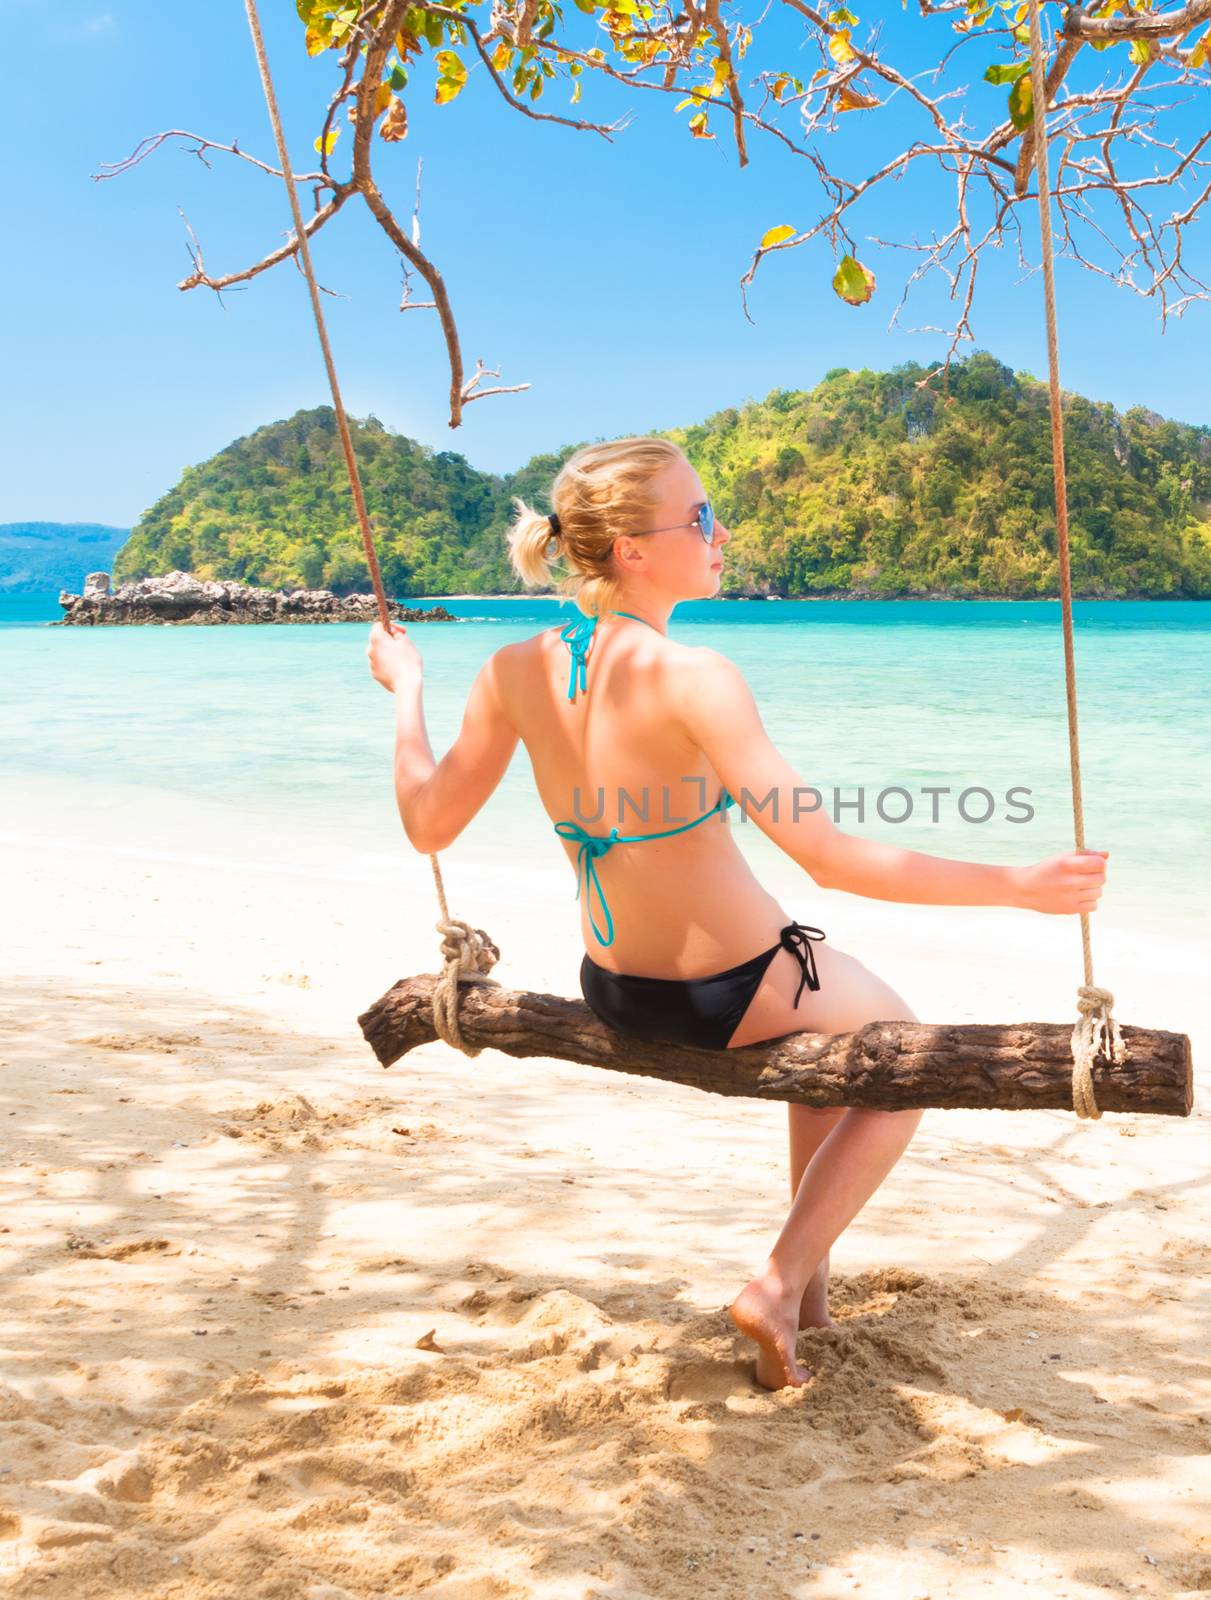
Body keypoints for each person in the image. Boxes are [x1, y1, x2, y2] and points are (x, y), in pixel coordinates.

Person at [366, 436, 1109, 1389]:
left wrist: (408, 689)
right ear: (633, 551)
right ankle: (778, 1280)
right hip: (730, 989)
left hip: (616, 988)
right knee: (908, 1058)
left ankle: (809, 1302)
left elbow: (428, 824)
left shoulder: (511, 670)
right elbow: (832, 858)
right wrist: (1018, 884)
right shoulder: (696, 676)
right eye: (700, 517)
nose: (720, 532)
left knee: (830, 1058)